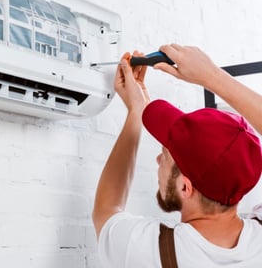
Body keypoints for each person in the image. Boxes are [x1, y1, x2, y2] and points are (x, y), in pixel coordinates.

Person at [92, 46, 262, 267]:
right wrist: (211, 75)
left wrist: (135, 111)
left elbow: (106, 210)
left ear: (185, 187)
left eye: (165, 153)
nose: (157, 160)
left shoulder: (146, 250)